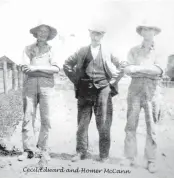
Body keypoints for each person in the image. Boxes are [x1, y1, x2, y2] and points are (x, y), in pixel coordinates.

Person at [63, 24, 124, 162]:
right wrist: (76, 80)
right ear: (89, 34)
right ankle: (80, 152)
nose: (96, 36)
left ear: (103, 36)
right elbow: (66, 64)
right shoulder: (82, 50)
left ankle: (104, 155)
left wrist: (112, 82)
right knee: (82, 123)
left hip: (103, 90)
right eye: (94, 33)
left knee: (103, 123)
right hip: (84, 90)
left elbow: (122, 65)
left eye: (99, 34)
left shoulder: (108, 51)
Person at [122, 23, 163, 173]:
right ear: (141, 32)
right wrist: (146, 70)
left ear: (155, 32)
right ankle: (129, 157)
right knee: (131, 124)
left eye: (151, 29)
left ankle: (151, 160)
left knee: (151, 126)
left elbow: (158, 70)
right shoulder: (133, 50)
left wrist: (137, 69)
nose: (147, 32)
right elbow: (127, 69)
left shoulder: (160, 51)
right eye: (145, 29)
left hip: (152, 91)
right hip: (135, 89)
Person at [18, 23, 60, 163]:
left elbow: (55, 69)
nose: (42, 34)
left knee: (46, 118)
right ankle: (28, 150)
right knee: (28, 116)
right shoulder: (28, 49)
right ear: (36, 33)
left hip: (46, 86)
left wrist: (36, 68)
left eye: (45, 32)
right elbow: (25, 68)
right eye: (40, 31)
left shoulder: (52, 50)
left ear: (49, 35)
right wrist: (44, 69)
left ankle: (43, 149)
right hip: (30, 84)